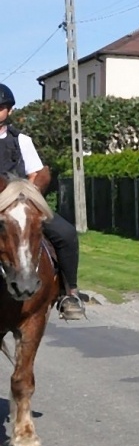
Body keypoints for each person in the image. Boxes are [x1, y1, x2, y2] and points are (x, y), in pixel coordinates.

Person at [0, 84, 87, 319]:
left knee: (66, 233)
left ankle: (69, 293)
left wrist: (24, 195)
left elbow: (36, 174)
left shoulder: (22, 141)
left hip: (19, 204)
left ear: (8, 111)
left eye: (1, 108)